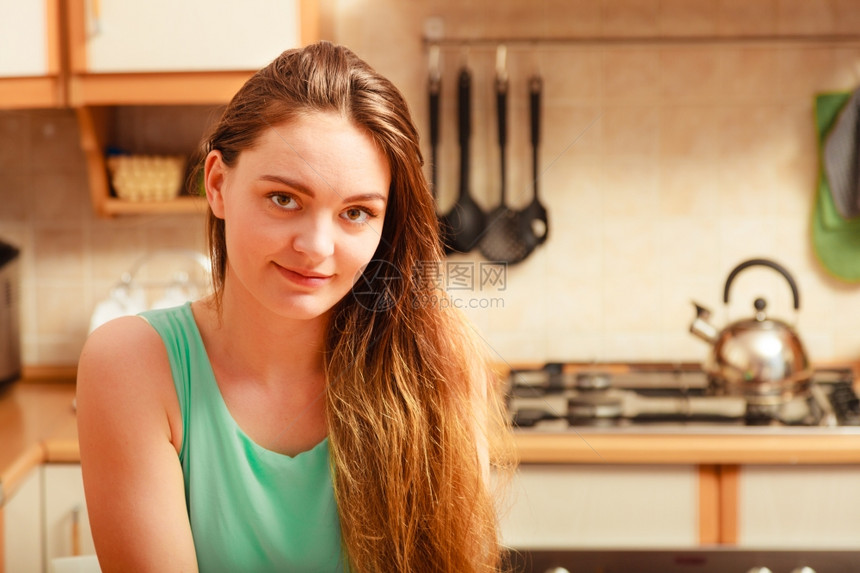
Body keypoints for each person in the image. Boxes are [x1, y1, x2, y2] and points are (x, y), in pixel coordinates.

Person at [76, 41, 513, 573]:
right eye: (284, 199)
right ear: (217, 184)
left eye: (356, 212)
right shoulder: (130, 365)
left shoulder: (438, 363)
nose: (317, 247)